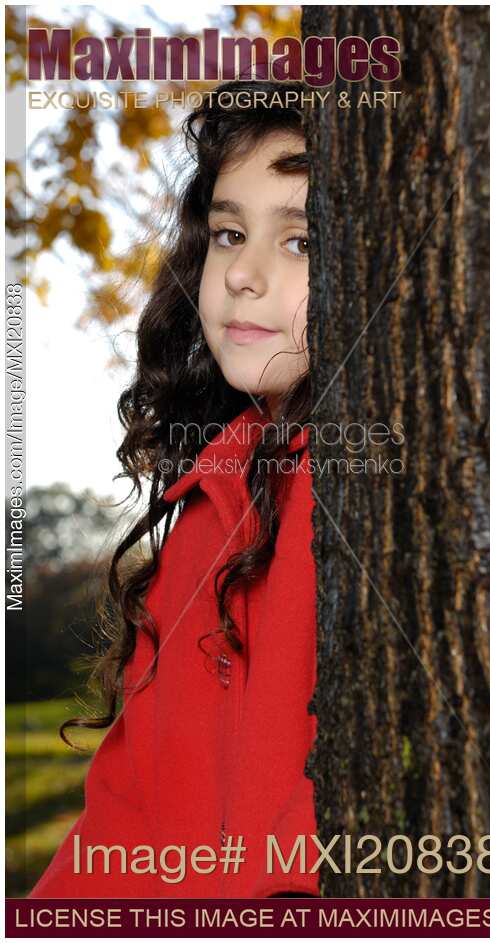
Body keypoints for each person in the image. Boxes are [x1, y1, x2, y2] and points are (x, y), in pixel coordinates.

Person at [28, 79, 320, 899]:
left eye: (301, 241)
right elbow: (127, 819)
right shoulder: (209, 503)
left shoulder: (342, 490)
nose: (243, 276)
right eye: (228, 233)